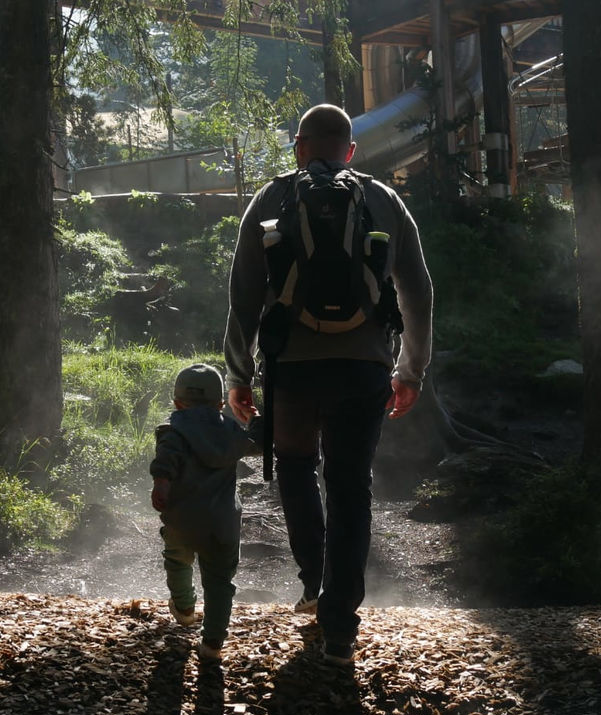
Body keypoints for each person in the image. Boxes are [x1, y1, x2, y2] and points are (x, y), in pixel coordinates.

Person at [223, 104, 433, 666]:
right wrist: (410, 370)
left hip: (291, 367)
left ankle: (313, 585)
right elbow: (417, 292)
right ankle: (341, 628)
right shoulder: (384, 199)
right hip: (364, 368)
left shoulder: (271, 198)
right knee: (348, 485)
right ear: (350, 150)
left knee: (293, 466)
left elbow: (242, 294)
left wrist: (238, 375)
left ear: (300, 146)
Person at [149, 362, 260, 662]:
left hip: (181, 519)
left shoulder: (173, 432)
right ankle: (212, 642)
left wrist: (161, 484)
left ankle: (184, 607)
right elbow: (261, 443)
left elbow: (166, 460)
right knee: (220, 582)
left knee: (177, 561)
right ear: (221, 404)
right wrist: (255, 419)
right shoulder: (231, 432)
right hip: (221, 523)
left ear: (177, 402)